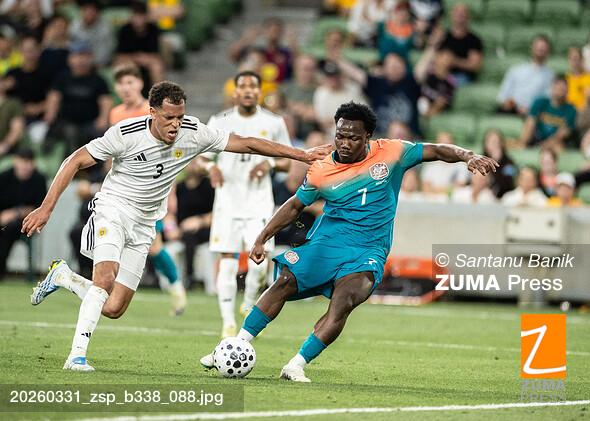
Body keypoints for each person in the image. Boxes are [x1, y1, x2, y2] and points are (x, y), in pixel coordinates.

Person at [23, 81, 331, 372]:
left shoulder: (193, 132)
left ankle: (63, 277)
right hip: (113, 209)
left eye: (180, 117)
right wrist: (46, 208)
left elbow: (246, 143)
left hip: (145, 222)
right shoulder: (126, 133)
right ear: (152, 112)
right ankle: (76, 356)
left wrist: (301, 154)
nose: (175, 124)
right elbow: (75, 160)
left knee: (114, 307)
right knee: (104, 278)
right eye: (168, 117)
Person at [200, 101, 498, 381]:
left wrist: (468, 156)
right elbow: (295, 206)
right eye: (340, 136)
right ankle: (234, 346)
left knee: (344, 302)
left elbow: (436, 150)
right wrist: (262, 237)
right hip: (327, 243)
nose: (344, 143)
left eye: (353, 138)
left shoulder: (392, 151)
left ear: (367, 137)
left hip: (368, 250)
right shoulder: (321, 169)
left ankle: (296, 364)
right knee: (284, 282)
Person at [201, 71, 292, 338]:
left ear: (260, 92)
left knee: (259, 263)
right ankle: (228, 322)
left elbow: (287, 161)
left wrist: (269, 163)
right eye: (243, 86)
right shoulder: (219, 121)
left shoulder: (273, 122)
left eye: (253, 86)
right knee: (227, 261)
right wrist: (210, 168)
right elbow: (201, 157)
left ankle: (250, 302)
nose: (248, 91)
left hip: (259, 203)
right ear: (235, 91)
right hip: (227, 202)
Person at [109, 62, 186, 316]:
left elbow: (169, 156)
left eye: (130, 82)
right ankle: (110, 290)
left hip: (152, 191)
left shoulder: (153, 111)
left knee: (154, 246)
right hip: (123, 190)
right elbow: (114, 154)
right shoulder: (115, 113)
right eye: (121, 83)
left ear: (140, 84)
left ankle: (176, 286)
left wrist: (171, 194)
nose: (126, 87)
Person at [0, 148, 46, 279]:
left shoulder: (39, 180)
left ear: (33, 164)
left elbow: (40, 208)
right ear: (15, 161)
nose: (25, 166)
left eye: (28, 163)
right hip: (3, 220)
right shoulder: (4, 177)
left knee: (9, 229)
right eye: (22, 162)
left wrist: (15, 213)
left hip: (28, 223)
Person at [497, 35, 553, 116]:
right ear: (532, 48)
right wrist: (511, 105)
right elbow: (502, 96)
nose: (540, 49)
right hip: (510, 110)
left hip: (533, 113)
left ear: (548, 51)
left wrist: (529, 109)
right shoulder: (515, 70)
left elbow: (547, 100)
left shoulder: (550, 76)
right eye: (538, 47)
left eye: (543, 48)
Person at [519, 76, 577, 152]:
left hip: (554, 143)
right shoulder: (540, 102)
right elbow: (530, 122)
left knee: (559, 147)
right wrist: (524, 141)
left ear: (567, 91)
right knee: (528, 126)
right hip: (535, 138)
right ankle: (522, 145)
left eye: (563, 89)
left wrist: (542, 146)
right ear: (552, 88)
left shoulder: (571, 109)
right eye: (558, 87)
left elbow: (562, 134)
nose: (560, 91)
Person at [436, 3, 482, 84]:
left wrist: (454, 61)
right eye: (457, 13)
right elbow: (437, 57)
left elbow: (475, 65)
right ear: (452, 15)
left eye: (462, 13)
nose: (459, 16)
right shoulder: (445, 36)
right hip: (443, 72)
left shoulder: (474, 40)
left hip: (462, 75)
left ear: (468, 17)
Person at [481, 129, 516, 198]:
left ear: (502, 144)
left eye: (496, 142)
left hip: (502, 197)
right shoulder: (480, 161)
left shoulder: (508, 163)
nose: (494, 145)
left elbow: (509, 185)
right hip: (482, 196)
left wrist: (497, 162)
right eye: (491, 142)